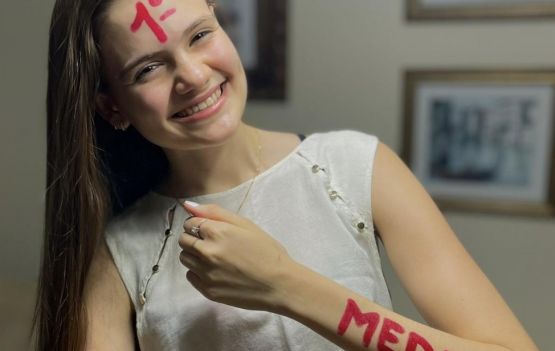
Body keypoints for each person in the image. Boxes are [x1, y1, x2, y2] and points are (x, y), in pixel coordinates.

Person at [33, 0, 539, 350]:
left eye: (200, 35)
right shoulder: (117, 253)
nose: (191, 75)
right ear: (111, 106)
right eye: (148, 68)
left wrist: (286, 285)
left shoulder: (355, 167)